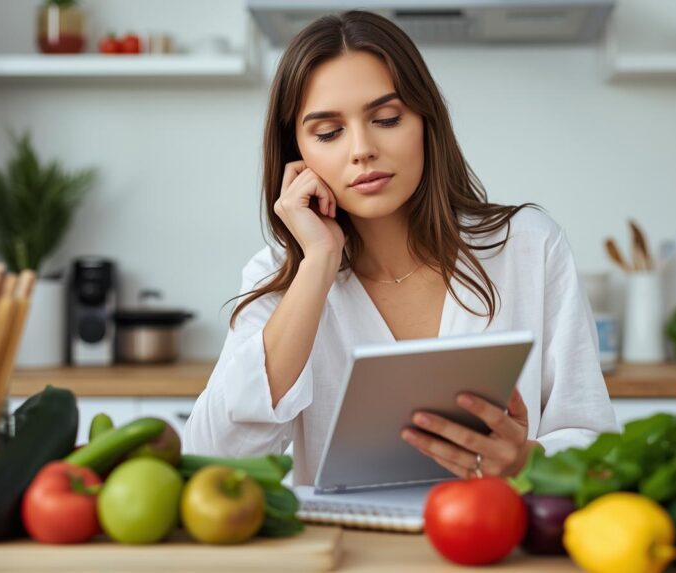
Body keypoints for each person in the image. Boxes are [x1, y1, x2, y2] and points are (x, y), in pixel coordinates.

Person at [183, 10, 618, 486]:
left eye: (387, 118)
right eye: (328, 132)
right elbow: (213, 458)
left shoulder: (527, 247)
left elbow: (596, 444)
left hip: (497, 550)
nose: (362, 148)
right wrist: (318, 266)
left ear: (425, 121)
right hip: (349, 554)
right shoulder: (280, 277)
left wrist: (524, 458)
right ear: (298, 154)